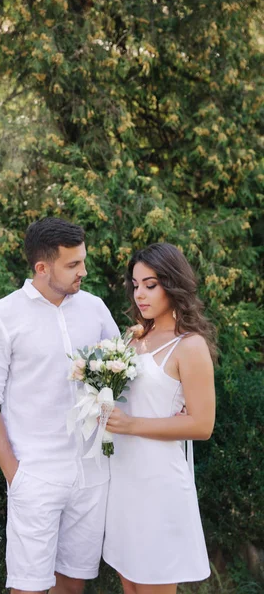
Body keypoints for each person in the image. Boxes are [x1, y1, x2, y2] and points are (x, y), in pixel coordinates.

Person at [0, 217, 119, 594]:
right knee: (29, 587)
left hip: (91, 472)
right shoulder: (2, 317)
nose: (83, 271)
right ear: (42, 267)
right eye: (73, 264)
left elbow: (127, 371)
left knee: (72, 582)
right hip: (34, 473)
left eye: (83, 261)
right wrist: (15, 473)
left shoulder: (95, 308)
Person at [103, 242, 216, 594]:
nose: (140, 294)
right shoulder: (132, 338)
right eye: (135, 285)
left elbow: (201, 425)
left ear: (173, 283)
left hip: (158, 483)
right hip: (121, 480)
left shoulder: (189, 345)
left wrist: (133, 425)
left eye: (150, 285)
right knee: (129, 584)